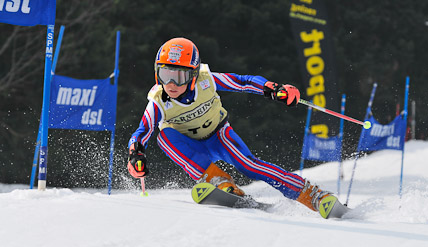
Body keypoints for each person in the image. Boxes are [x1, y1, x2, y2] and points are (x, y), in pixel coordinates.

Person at [127, 37, 337, 215]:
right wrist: (136, 154)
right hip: (192, 147)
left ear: (193, 74)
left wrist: (273, 89)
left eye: (179, 77)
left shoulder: (205, 80)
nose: (171, 84)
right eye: (165, 75)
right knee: (164, 138)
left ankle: (314, 196)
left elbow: (243, 82)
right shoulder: (158, 101)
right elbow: (142, 131)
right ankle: (219, 181)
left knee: (250, 166)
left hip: (219, 136)